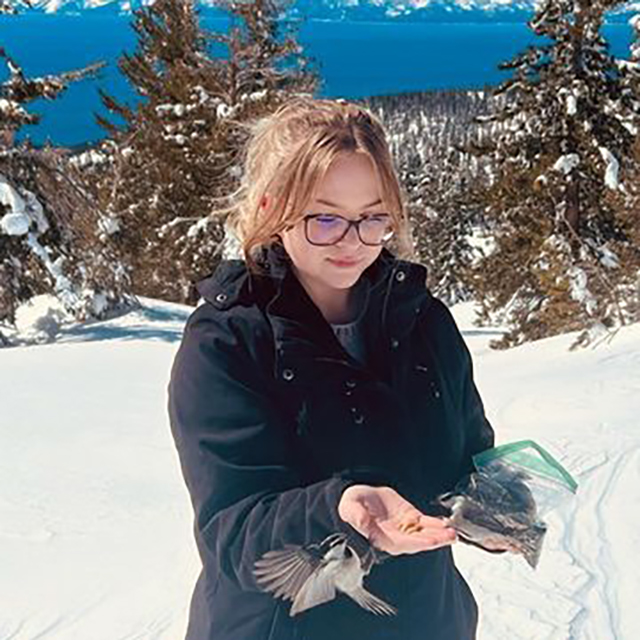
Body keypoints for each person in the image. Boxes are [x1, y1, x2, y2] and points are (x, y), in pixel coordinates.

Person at [167, 96, 495, 640]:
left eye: (372, 218)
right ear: (273, 208)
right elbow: (232, 532)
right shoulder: (226, 341)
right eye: (325, 219)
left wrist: (492, 507)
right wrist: (339, 509)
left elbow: (466, 458)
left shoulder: (423, 320)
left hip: (423, 620)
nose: (352, 242)